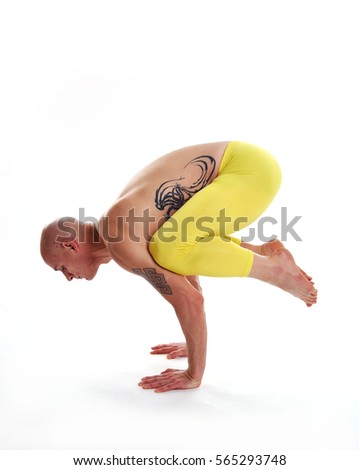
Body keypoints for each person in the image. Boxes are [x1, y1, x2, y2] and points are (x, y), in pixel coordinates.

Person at [40, 140, 317, 393]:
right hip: (250, 167)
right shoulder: (124, 224)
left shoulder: (119, 239)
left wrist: (193, 374)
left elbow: (189, 300)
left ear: (71, 246)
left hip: (246, 171)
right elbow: (188, 275)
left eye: (60, 268)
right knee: (172, 245)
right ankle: (259, 252)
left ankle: (274, 269)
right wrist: (193, 341)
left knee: (167, 249)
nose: (67, 277)